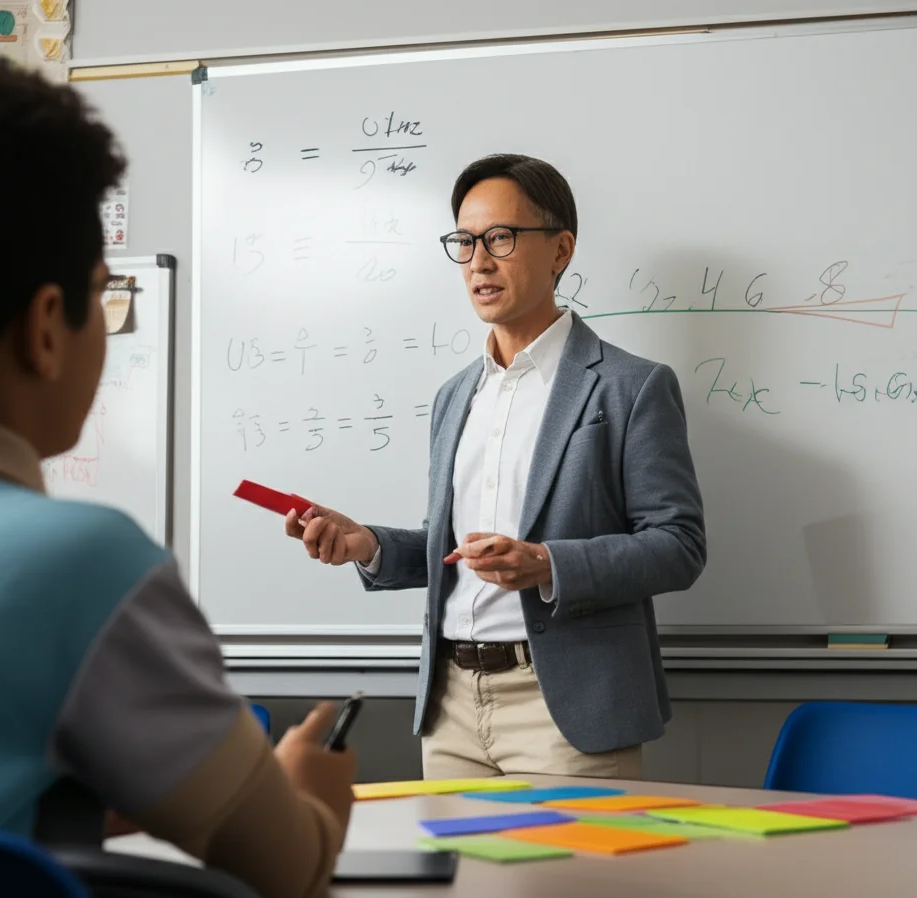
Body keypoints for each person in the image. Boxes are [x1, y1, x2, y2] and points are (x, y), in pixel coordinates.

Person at [0, 54, 354, 898]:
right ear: (47, 327)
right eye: (104, 291)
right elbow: (287, 868)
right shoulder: (79, 564)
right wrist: (311, 786)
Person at [286, 154, 706, 780]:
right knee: (458, 880)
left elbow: (678, 546)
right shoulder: (456, 395)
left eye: (501, 238)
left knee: (570, 882)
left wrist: (548, 564)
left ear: (561, 249)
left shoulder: (630, 387)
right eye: (465, 241)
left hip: (566, 706)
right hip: (450, 706)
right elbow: (450, 550)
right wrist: (367, 544)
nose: (479, 261)